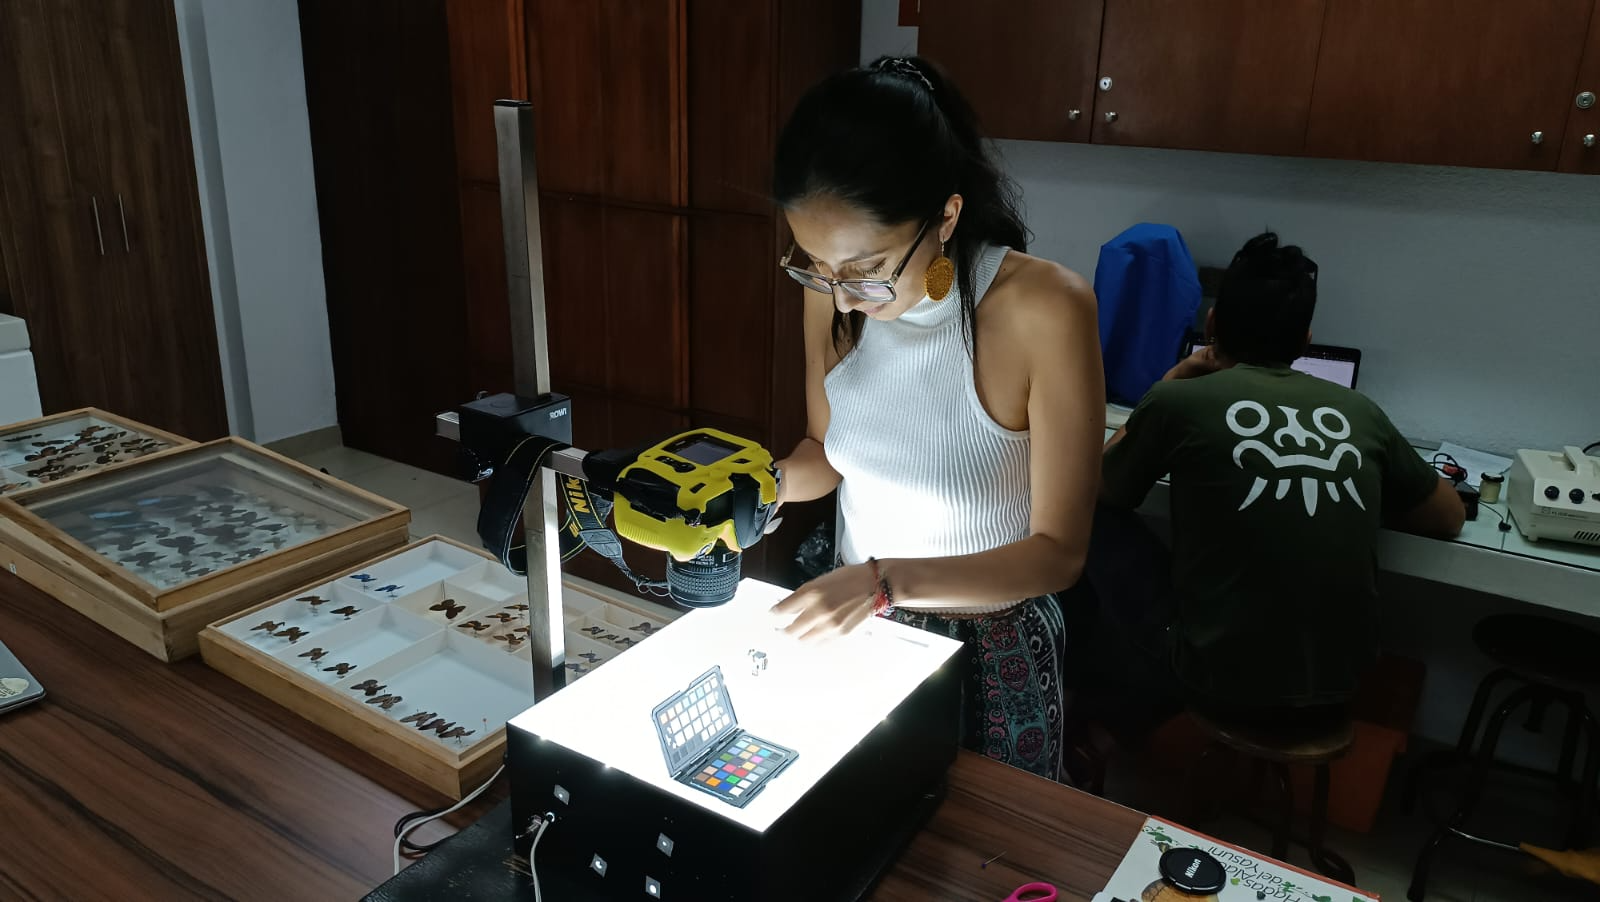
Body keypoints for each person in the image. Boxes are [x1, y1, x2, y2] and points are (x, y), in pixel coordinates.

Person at [764, 56, 1105, 782]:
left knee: (979, 842)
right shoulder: (829, 291)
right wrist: (756, 488)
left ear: (946, 216)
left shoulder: (1044, 309)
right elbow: (826, 452)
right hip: (856, 619)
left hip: (989, 646)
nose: (841, 296)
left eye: (867, 268)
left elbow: (1059, 554)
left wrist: (884, 582)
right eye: (815, 264)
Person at [1100, 232, 1464, 724]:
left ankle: (1109, 720)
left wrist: (1169, 381)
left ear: (1212, 323)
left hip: (1217, 682)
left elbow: (1100, 489)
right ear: (1305, 340)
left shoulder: (1177, 401)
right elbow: (1449, 517)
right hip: (1340, 688)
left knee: (1092, 525)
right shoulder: (1362, 412)